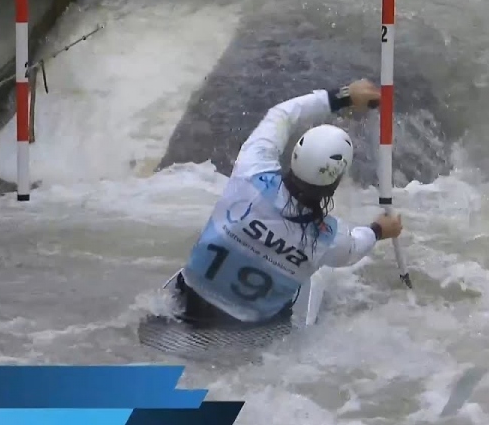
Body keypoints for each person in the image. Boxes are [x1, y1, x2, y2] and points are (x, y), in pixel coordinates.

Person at [173, 79, 404, 327]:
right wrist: (380, 229)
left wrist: (343, 96)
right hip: (249, 325)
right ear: (335, 181)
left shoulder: (250, 174)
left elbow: (281, 115)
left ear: (294, 156)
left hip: (188, 296)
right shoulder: (329, 239)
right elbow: (355, 248)